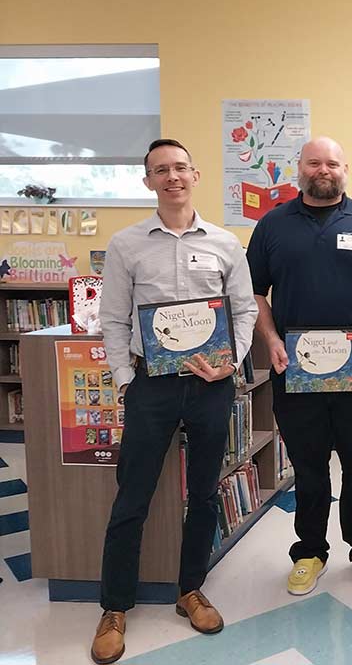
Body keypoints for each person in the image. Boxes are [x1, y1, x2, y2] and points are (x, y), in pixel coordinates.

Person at [92, 139, 258, 665]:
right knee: (132, 496)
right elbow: (113, 319)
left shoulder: (225, 244)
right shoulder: (126, 244)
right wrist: (126, 381)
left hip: (211, 385)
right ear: (148, 181)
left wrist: (232, 363)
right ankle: (115, 606)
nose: (173, 177)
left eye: (181, 167)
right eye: (161, 170)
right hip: (152, 386)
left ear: (195, 174)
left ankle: (191, 589)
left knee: (204, 494)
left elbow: (245, 311)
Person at [246, 137, 352, 596]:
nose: (323, 170)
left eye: (332, 163)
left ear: (345, 169)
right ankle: (309, 551)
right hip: (296, 371)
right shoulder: (272, 225)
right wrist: (271, 339)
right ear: (300, 168)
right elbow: (254, 293)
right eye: (314, 163)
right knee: (308, 469)